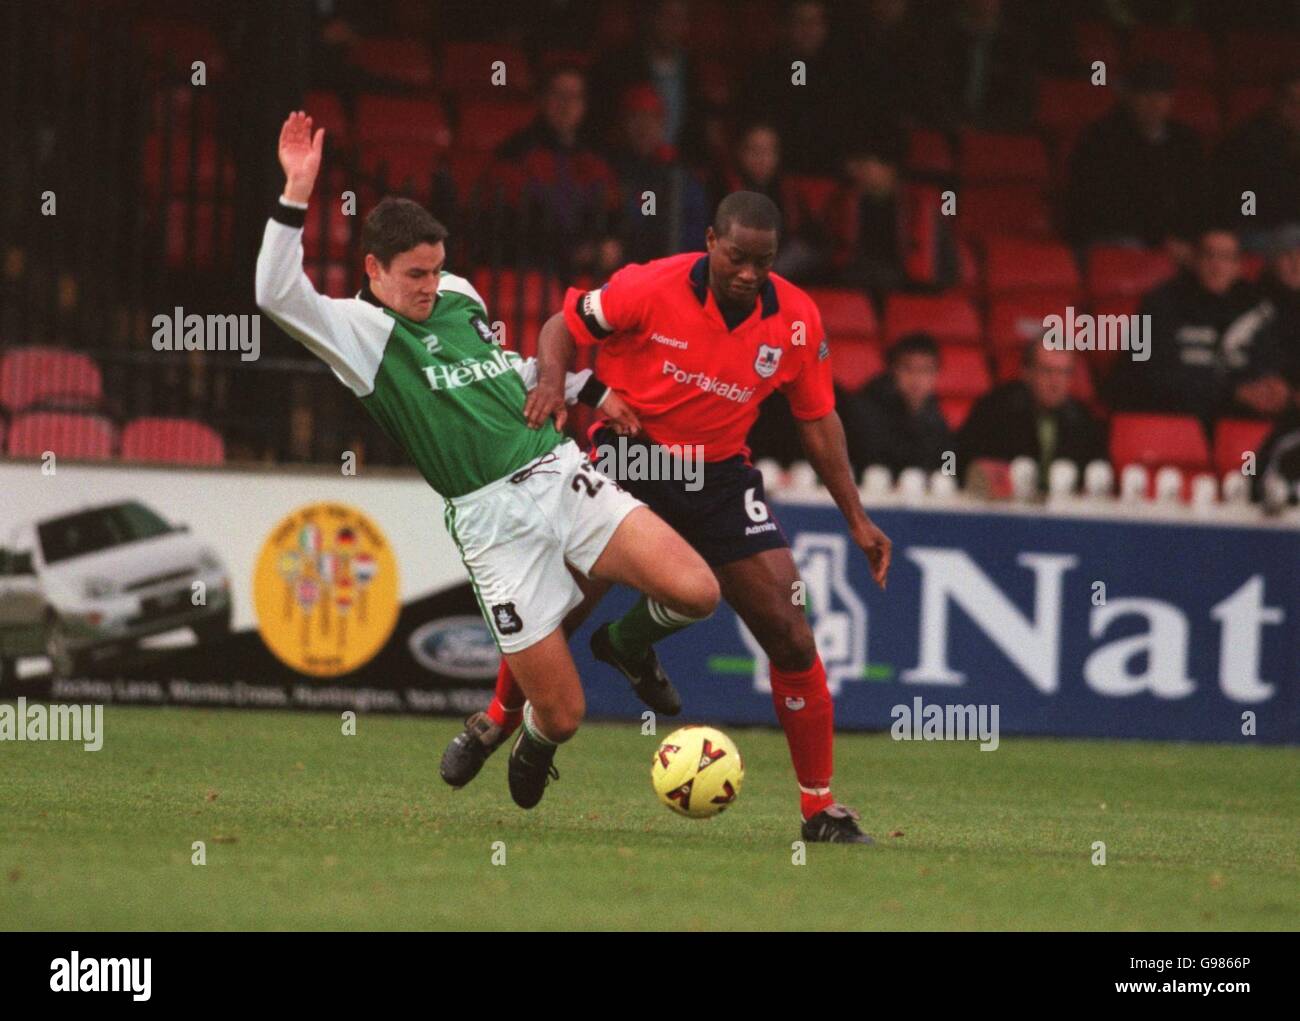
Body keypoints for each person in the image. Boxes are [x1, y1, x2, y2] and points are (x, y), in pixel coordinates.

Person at [256, 112, 719, 811]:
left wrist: (585, 386)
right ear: (373, 269)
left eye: (438, 268)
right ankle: (532, 737)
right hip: (490, 521)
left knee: (698, 590)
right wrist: (295, 192)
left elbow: (502, 365)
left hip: (561, 474)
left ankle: (623, 645)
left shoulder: (459, 294)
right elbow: (274, 293)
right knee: (563, 713)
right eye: (415, 274)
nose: (431, 285)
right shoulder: (356, 333)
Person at [446, 191, 894, 845]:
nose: (747, 272)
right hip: (630, 458)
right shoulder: (649, 286)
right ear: (711, 240)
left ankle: (819, 809)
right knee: (555, 605)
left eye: (761, 261)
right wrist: (550, 380)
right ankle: (499, 718)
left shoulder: (797, 319)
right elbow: (561, 326)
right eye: (737, 256)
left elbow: (816, 419)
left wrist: (856, 517)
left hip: (717, 476)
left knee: (792, 634)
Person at [1105, 228, 1288, 424]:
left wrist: (1274, 385)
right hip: (1176, 420)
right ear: (1194, 259)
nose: (1217, 266)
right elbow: (1146, 378)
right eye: (1209, 255)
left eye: (1226, 258)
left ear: (1238, 265)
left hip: (1242, 419)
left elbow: (1270, 361)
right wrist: (1232, 393)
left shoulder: (1257, 305)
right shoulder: (1159, 304)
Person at [1065, 61, 1208, 257]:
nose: (1154, 103)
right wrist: (1160, 240)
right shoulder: (1101, 139)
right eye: (1146, 95)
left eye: (1162, 95)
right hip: (1118, 234)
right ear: (1130, 97)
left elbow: (1196, 198)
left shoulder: (1185, 141)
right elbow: (1102, 206)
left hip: (1175, 241)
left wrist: (1186, 239)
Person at [957, 343, 1106, 488]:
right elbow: (962, 462)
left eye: (1064, 372)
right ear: (1027, 372)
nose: (1055, 382)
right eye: (1047, 371)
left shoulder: (1082, 419)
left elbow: (1096, 473)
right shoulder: (994, 410)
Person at [839, 332, 952, 476]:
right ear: (893, 370)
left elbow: (949, 457)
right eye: (908, 368)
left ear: (936, 374)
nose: (916, 379)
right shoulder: (864, 411)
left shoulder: (936, 417)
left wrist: (949, 476)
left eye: (925, 370)